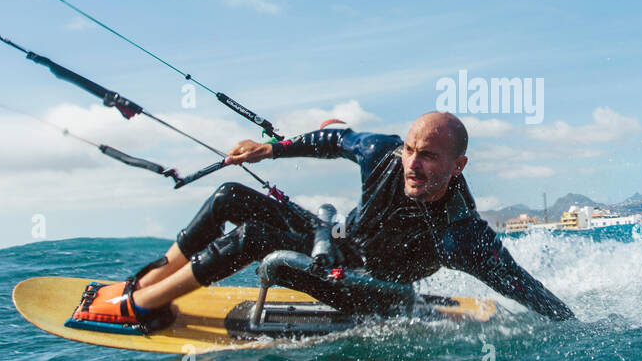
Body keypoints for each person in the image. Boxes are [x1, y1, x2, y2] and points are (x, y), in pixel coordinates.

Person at [73, 111, 574, 328]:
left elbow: (523, 287)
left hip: (372, 288)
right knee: (230, 196)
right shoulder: (383, 153)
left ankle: (138, 308)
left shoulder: (461, 232)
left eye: (431, 158)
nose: (415, 165)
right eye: (412, 151)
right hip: (335, 245)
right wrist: (269, 149)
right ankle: (150, 281)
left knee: (255, 238)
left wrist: (577, 327)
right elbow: (332, 140)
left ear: (458, 166)